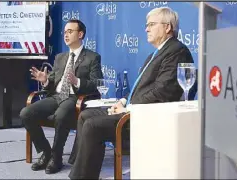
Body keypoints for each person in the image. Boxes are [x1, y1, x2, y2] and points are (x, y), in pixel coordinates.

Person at [68, 7, 194, 179]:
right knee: (85, 115)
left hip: (147, 118)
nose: (146, 29)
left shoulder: (177, 51)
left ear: (167, 27)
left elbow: (163, 92)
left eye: (151, 24)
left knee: (92, 125)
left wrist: (129, 108)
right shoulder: (156, 54)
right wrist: (123, 101)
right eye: (146, 24)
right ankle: (79, 174)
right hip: (134, 110)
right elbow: (139, 87)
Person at [19, 19, 103, 174]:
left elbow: (96, 83)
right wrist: (45, 81)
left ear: (80, 34)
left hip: (75, 98)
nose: (66, 35)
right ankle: (46, 152)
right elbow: (53, 81)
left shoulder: (92, 57)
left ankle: (57, 157)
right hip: (56, 96)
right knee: (26, 113)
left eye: (70, 31)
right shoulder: (60, 57)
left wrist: (77, 81)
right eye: (65, 32)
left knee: (61, 114)